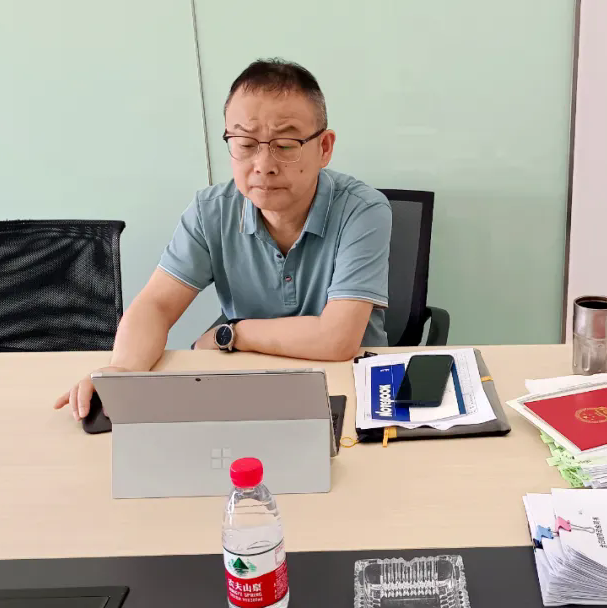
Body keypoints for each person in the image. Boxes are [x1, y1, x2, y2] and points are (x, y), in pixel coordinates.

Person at [54, 58, 392, 421]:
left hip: (352, 388)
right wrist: (122, 371)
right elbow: (157, 305)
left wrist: (232, 335)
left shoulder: (363, 210)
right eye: (245, 143)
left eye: (286, 144)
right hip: (245, 384)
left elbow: (336, 339)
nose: (263, 164)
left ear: (324, 147)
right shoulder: (210, 211)